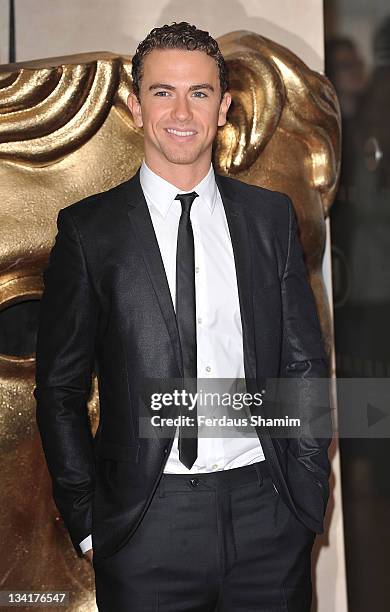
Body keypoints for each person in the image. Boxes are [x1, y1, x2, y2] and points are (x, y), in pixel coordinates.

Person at [34, 21, 332, 612]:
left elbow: (303, 365)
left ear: (223, 108)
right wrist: (92, 525)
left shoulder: (268, 219)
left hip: (267, 512)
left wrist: (305, 492)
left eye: (198, 92)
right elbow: (59, 390)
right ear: (134, 106)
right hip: (147, 524)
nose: (181, 110)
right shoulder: (89, 232)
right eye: (162, 91)